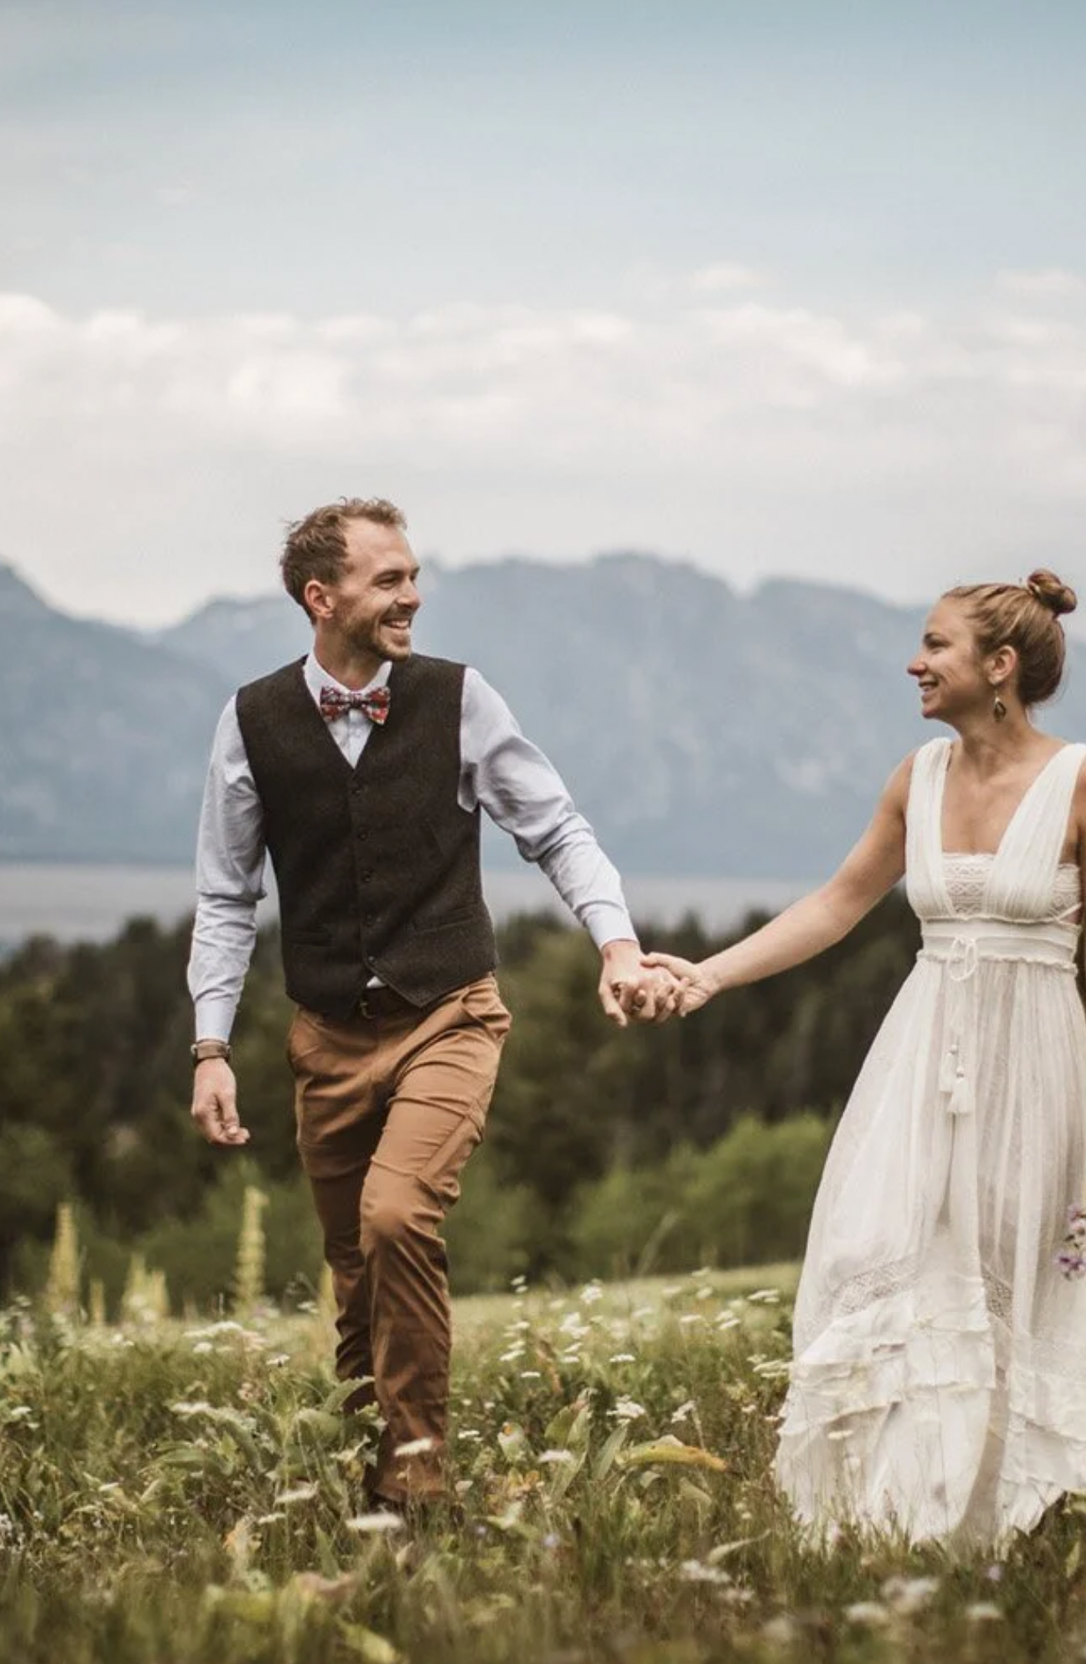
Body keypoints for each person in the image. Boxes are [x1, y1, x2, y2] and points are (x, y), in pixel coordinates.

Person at [185, 497, 666, 1514]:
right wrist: (209, 1045)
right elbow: (227, 896)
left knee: (398, 1218)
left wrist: (614, 941)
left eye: (412, 574)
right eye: (389, 579)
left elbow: (557, 830)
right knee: (354, 1272)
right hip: (323, 1036)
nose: (414, 594)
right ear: (322, 598)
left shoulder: (460, 699)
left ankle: (417, 1470)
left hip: (449, 1013)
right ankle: (366, 1473)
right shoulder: (252, 721)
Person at [644, 571, 1086, 1545]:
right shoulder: (914, 777)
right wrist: (706, 977)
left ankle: (992, 1526)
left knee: (1006, 1277)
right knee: (886, 1259)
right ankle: (884, 1519)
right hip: (920, 1056)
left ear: (998, 666)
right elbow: (835, 904)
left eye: (935, 645)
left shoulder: (1084, 782)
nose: (914, 663)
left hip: (1034, 1064)